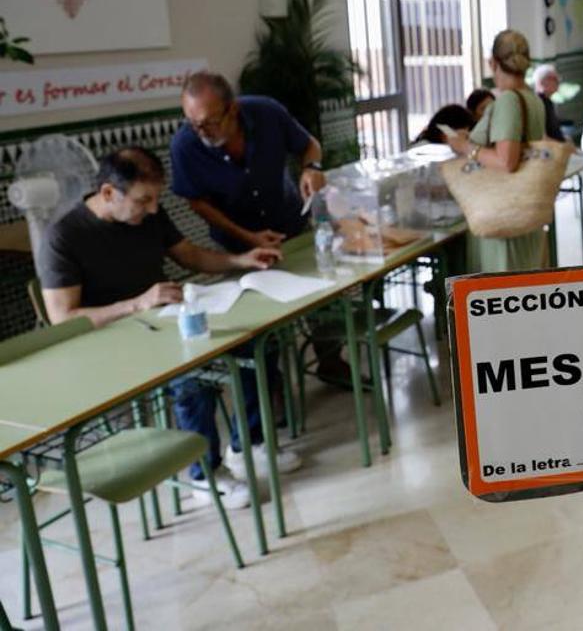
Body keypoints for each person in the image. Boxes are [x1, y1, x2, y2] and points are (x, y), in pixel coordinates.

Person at [37, 148, 294, 508]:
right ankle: (205, 475)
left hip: (163, 322)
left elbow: (190, 256)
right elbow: (62, 319)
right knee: (192, 374)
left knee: (257, 342)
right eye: (144, 200)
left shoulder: (149, 217)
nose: (154, 209)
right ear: (109, 193)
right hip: (109, 344)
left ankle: (248, 443)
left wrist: (240, 259)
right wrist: (136, 303)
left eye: (157, 198)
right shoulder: (63, 236)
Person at [169, 72, 351, 384]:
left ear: (233, 110)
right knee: (262, 315)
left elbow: (309, 145)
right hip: (239, 238)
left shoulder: (266, 112)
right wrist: (246, 238)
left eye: (210, 122)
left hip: (289, 219)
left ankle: (330, 361)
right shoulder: (185, 145)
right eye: (192, 122)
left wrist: (312, 167)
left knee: (323, 294)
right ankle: (273, 387)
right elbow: (197, 202)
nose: (201, 131)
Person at [445, 30, 549, 272]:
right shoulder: (531, 98)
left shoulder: (508, 102)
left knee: (503, 292)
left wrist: (465, 147)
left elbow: (506, 161)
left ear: (493, 63)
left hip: (503, 216)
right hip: (523, 210)